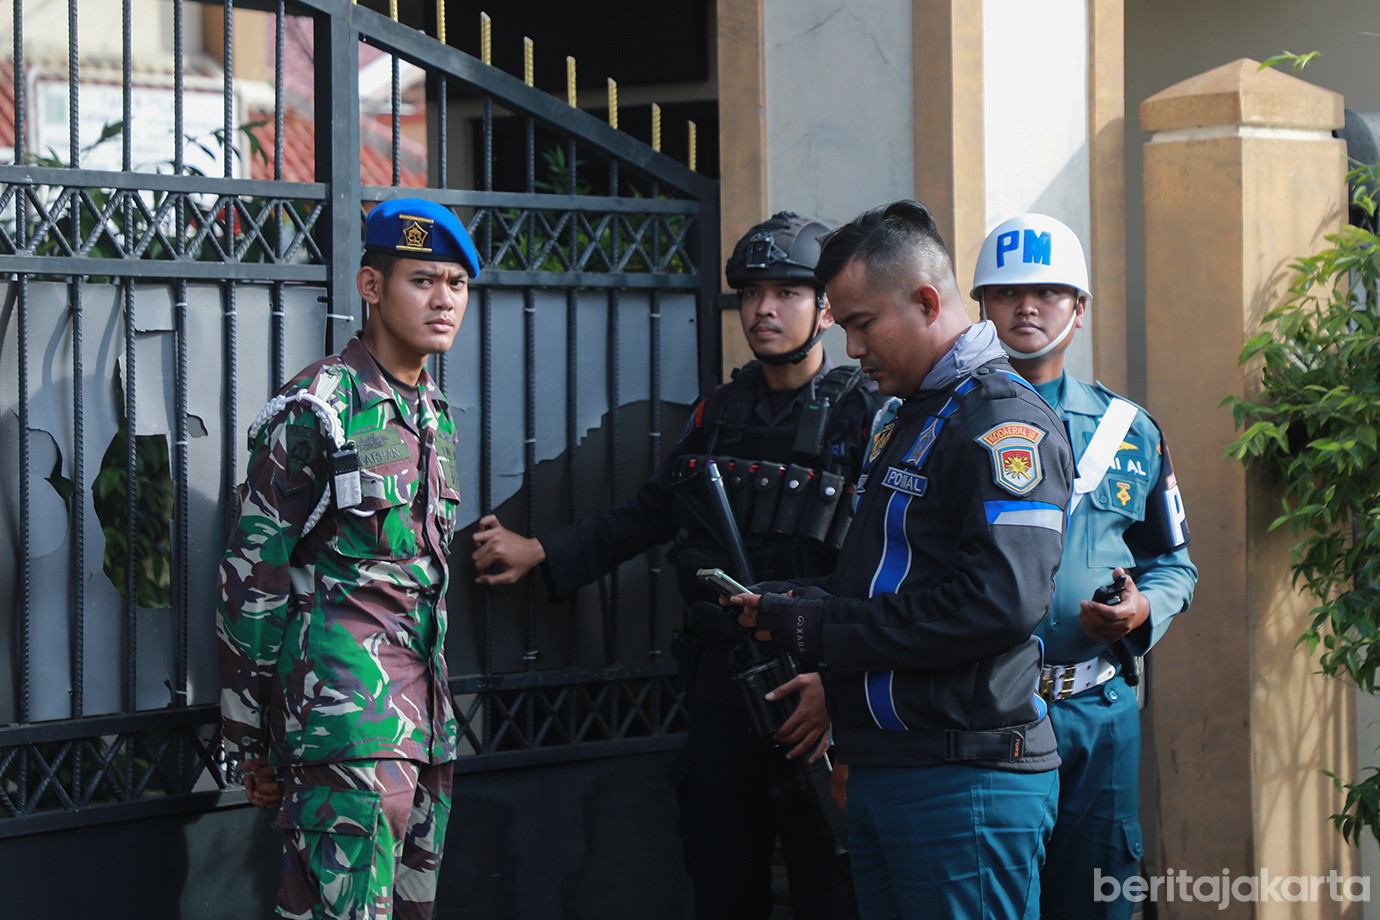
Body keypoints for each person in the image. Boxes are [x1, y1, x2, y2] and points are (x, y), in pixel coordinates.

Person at [470, 212, 882, 920]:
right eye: (751, 293)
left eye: (786, 292)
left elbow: (882, 566)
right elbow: (655, 509)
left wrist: (835, 683)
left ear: (825, 307)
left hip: (819, 690)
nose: (763, 309)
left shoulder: (866, 413)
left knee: (833, 884)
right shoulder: (720, 411)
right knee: (722, 877)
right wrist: (544, 551)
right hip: (725, 687)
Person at [732, 199, 1073, 920]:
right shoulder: (912, 413)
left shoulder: (1000, 422)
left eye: (861, 323)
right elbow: (893, 579)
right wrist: (799, 606)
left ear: (926, 301)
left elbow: (997, 604)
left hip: (965, 778)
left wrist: (824, 632)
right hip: (896, 769)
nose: (852, 347)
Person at [218, 197, 479, 920]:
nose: (444, 301)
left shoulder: (429, 412)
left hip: (423, 726)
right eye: (423, 281)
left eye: (456, 285)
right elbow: (253, 570)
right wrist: (252, 737)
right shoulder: (318, 408)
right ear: (371, 288)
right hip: (344, 725)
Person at [972, 213, 1197, 920]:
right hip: (983, 713)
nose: (1027, 307)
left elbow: (1174, 563)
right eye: (1007, 293)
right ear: (983, 305)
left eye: (1049, 292)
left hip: (1098, 713)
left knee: (1099, 898)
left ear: (1079, 307)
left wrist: (1143, 611)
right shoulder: (943, 419)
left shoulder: (1130, 430)